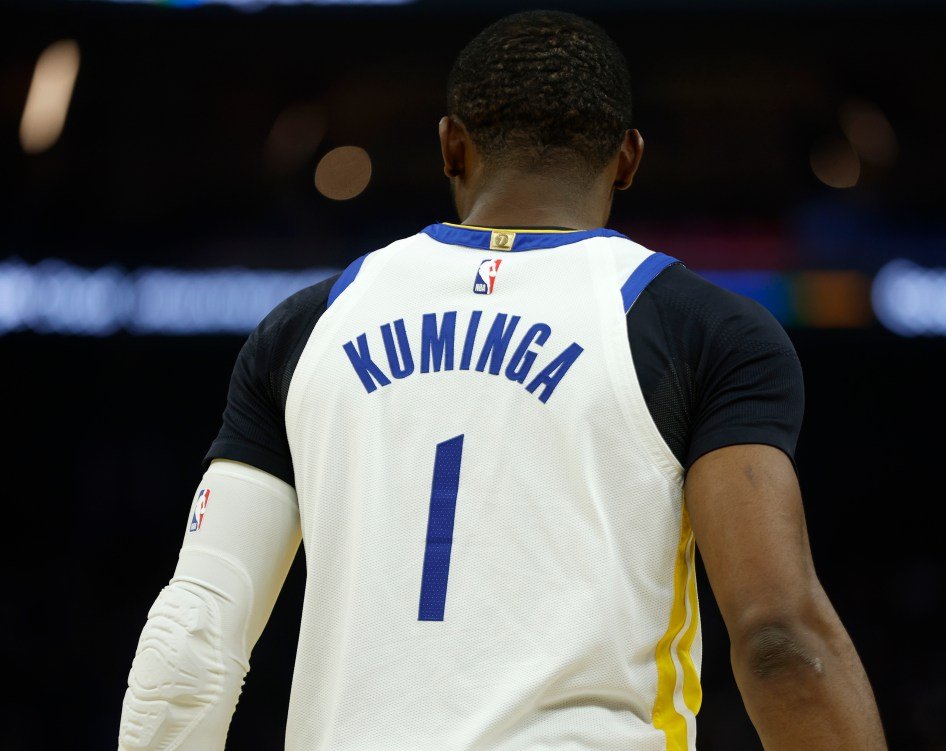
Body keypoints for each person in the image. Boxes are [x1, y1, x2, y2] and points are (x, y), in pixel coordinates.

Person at [117, 10, 886, 751]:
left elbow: (193, 635)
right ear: (628, 158)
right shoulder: (705, 329)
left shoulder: (307, 325)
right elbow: (780, 640)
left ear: (451, 147)